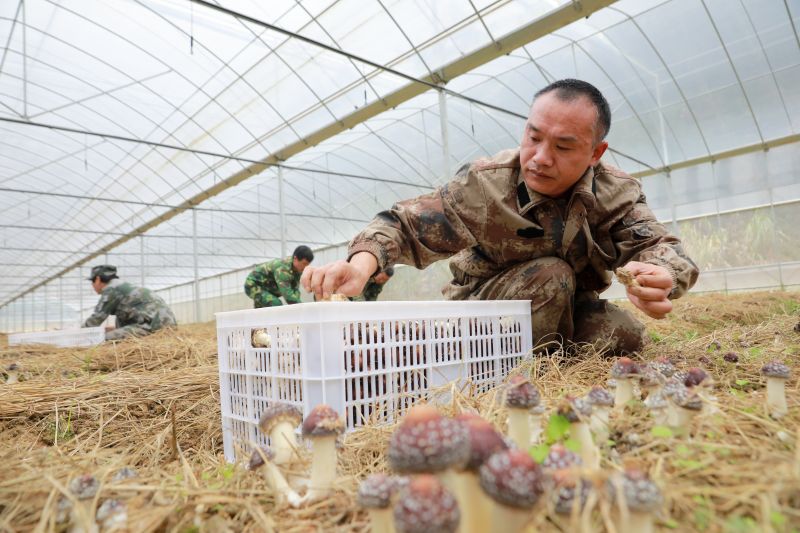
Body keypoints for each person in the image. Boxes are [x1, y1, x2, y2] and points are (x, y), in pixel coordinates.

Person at [302, 79, 699, 355]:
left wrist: (662, 278)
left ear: (596, 153)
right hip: (482, 309)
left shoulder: (614, 193)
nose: (541, 158)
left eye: (563, 146)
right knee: (551, 275)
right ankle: (514, 370)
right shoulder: (487, 184)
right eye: (534, 137)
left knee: (627, 336)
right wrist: (360, 264)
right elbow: (403, 224)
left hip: (563, 307)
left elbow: (659, 247)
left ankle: (542, 355)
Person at [84, 265, 177, 341]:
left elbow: (95, 320)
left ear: (97, 279)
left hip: (155, 327)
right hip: (164, 325)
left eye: (92, 282)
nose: (92, 285)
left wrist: (78, 335)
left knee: (104, 338)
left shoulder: (111, 289)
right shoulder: (121, 286)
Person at [244, 245, 314, 308]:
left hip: (269, 288)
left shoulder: (298, 270)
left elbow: (295, 290)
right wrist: (301, 308)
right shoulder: (283, 268)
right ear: (295, 259)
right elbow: (288, 295)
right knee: (276, 304)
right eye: (304, 263)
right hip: (253, 285)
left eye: (307, 265)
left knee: (261, 312)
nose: (305, 267)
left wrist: (299, 303)